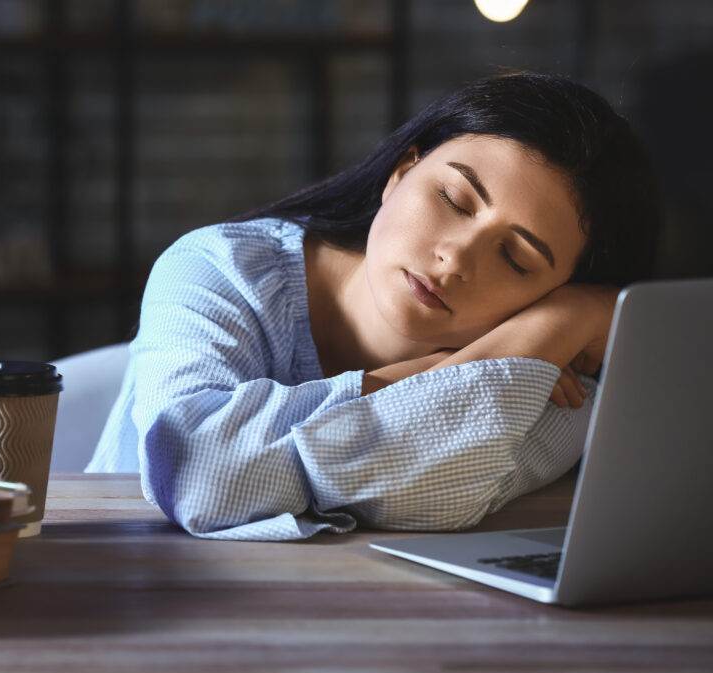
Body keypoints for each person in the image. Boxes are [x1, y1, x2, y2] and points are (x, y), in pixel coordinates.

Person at [85, 71, 662, 541]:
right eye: (454, 199)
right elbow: (195, 469)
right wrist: (472, 368)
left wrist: (566, 324)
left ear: (556, 292)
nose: (455, 258)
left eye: (515, 258)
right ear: (401, 172)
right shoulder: (220, 267)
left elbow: (452, 495)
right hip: (132, 591)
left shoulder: (567, 356)